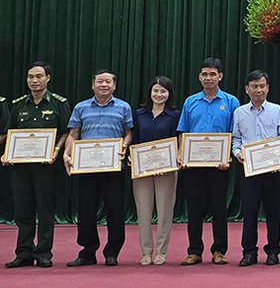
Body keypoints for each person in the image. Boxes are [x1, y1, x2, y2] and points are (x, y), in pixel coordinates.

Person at [1, 62, 71, 268]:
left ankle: (43, 252)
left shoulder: (59, 103)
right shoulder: (19, 104)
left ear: (47, 78)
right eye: (31, 77)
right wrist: (7, 155)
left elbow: (66, 131)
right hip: (20, 167)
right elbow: (10, 133)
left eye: (39, 76)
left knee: (45, 209)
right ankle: (23, 252)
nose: (34, 80)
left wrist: (57, 150)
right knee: (23, 210)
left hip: (46, 165)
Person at [62, 69, 134, 267]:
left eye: (108, 82)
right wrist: (67, 153)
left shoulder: (123, 107)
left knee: (115, 210)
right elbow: (73, 133)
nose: (104, 85)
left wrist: (125, 145)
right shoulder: (81, 107)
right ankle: (87, 252)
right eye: (100, 81)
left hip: (113, 167)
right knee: (86, 211)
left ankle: (112, 252)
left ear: (114, 86)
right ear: (92, 85)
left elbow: (129, 132)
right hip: (86, 168)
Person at [178, 58, 240, 266]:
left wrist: (228, 157)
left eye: (213, 74)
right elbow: (183, 132)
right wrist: (182, 155)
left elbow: (235, 133)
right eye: (204, 74)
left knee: (219, 208)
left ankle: (219, 250)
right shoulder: (190, 102)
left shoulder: (231, 102)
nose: (208, 78)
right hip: (193, 164)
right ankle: (194, 251)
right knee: (194, 208)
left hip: (219, 165)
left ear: (220, 76)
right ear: (199, 77)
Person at [232, 70, 280, 267]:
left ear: (268, 88)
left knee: (274, 213)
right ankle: (249, 252)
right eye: (254, 86)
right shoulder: (239, 112)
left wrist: (279, 160)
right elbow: (236, 140)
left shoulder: (277, 110)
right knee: (250, 212)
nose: (258, 90)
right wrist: (239, 154)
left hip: (274, 171)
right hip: (249, 170)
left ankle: (273, 252)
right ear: (247, 89)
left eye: (262, 86)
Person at [131, 76, 180, 266]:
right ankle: (145, 252)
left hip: (166, 171)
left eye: (163, 91)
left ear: (169, 94)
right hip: (141, 170)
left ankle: (161, 251)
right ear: (150, 92)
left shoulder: (175, 115)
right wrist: (131, 157)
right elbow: (133, 139)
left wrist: (169, 161)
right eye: (156, 91)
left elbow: (178, 140)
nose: (159, 95)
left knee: (165, 212)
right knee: (143, 212)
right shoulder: (139, 114)